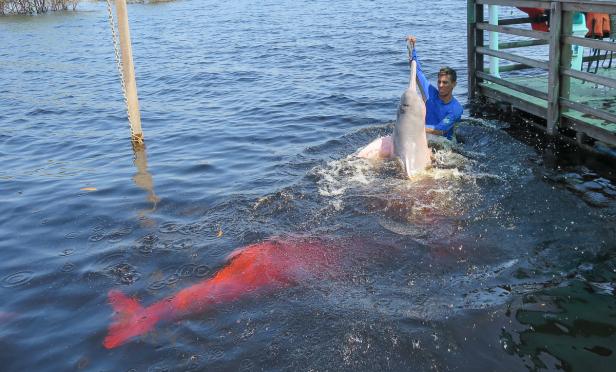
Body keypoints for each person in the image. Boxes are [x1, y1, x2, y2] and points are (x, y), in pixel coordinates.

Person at [406, 35, 463, 140]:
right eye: (439, 82)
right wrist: (412, 48)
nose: (440, 85)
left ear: (454, 84)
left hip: (444, 143)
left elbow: (439, 130)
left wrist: (412, 128)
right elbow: (417, 73)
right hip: (423, 135)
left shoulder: (456, 109)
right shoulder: (430, 93)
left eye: (445, 83)